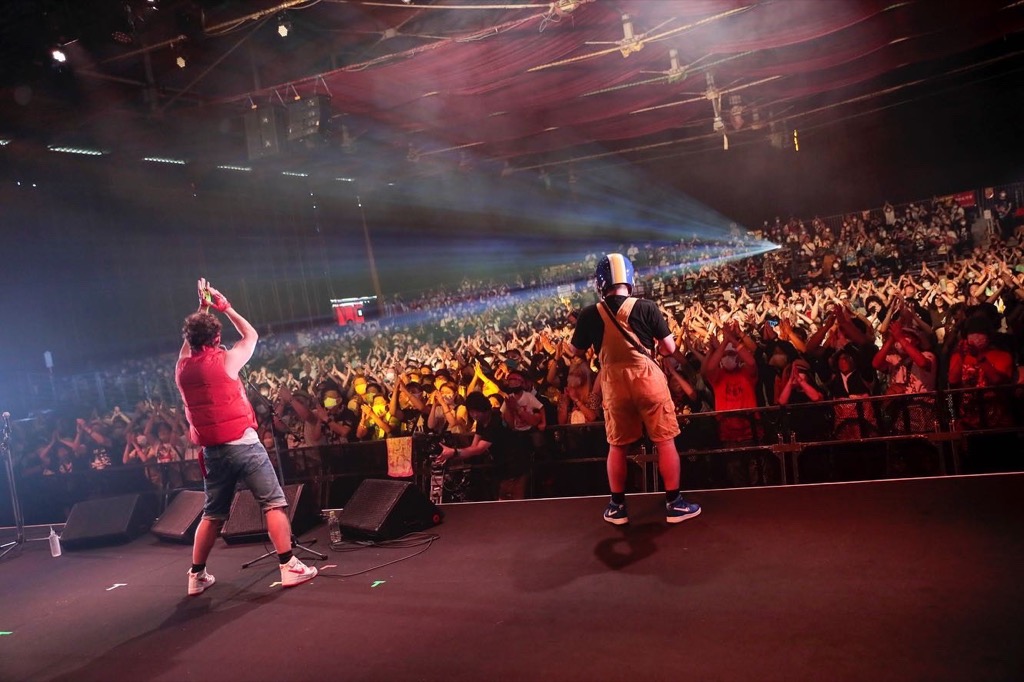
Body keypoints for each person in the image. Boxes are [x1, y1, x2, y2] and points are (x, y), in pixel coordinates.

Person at [175, 278, 317, 596]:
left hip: (212, 452)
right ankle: (289, 566)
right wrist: (225, 307)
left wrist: (202, 309)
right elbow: (250, 335)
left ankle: (196, 575)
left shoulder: (181, 369)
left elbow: (189, 344)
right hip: (243, 444)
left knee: (212, 514)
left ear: (190, 339)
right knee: (274, 503)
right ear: (216, 338)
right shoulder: (225, 361)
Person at [567, 253, 701, 525]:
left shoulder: (590, 313)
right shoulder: (647, 307)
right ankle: (675, 504)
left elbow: (574, 351)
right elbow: (669, 348)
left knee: (617, 446)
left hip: (613, 383)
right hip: (647, 378)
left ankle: (617, 507)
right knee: (664, 441)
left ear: (601, 283)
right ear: (629, 279)